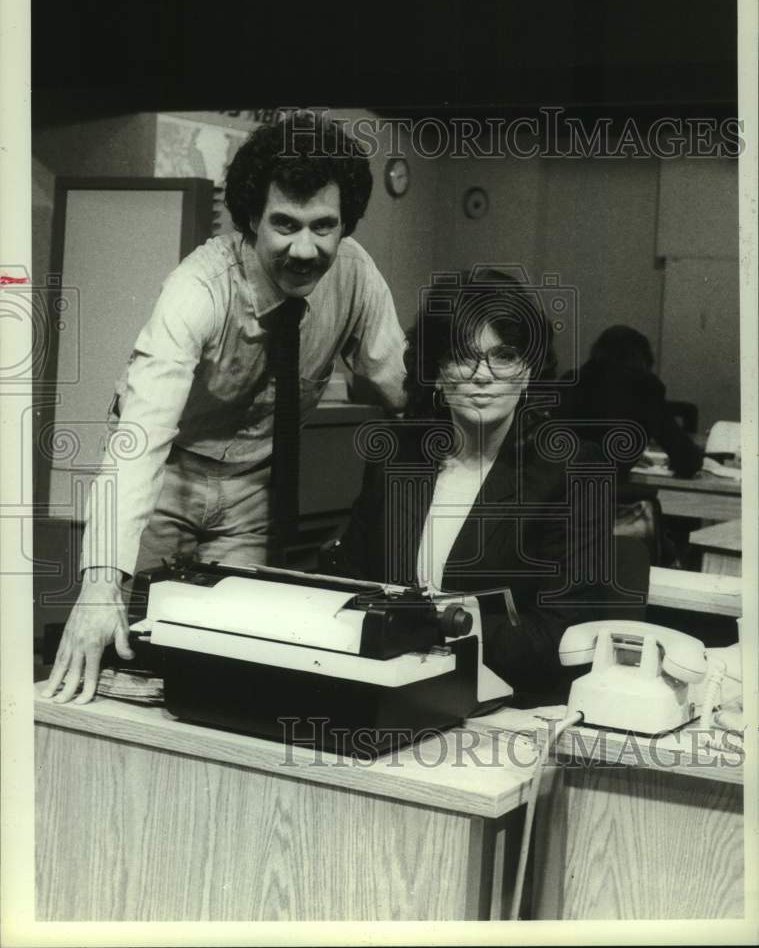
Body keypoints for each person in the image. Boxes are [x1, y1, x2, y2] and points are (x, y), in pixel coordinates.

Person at [43, 110, 407, 705]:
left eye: (323, 226)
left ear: (345, 225)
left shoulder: (357, 276)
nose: (305, 248)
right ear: (251, 219)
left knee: (230, 660)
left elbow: (395, 384)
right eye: (284, 224)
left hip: (253, 490)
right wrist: (98, 584)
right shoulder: (198, 289)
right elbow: (139, 438)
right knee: (122, 650)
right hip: (169, 475)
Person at [335, 274, 616, 700]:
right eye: (463, 357)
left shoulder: (572, 470)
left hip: (509, 703)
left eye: (504, 356)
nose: (483, 376)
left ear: (528, 373)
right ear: (437, 375)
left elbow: (564, 628)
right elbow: (351, 586)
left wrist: (425, 630)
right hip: (391, 688)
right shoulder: (396, 458)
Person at [556, 325, 703, 480]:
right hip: (604, 488)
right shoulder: (644, 386)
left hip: (556, 485)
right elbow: (687, 461)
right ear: (642, 359)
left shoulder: (570, 380)